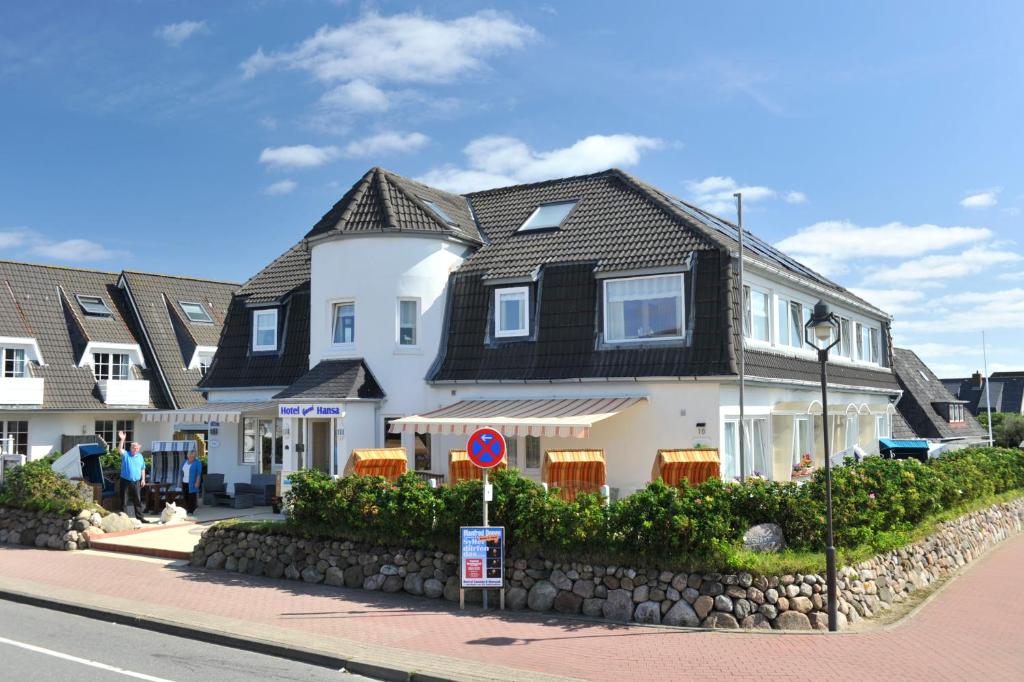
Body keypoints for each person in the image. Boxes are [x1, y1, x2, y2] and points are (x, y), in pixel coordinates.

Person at [118, 430, 149, 523]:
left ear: (138, 449)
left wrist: (143, 479)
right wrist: (122, 440)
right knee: (124, 501)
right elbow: (119, 449)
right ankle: (124, 519)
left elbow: (142, 468)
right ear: (130, 448)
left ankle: (140, 517)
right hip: (125, 481)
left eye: (137, 448)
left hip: (136, 481)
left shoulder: (140, 456)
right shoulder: (126, 454)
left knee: (138, 500)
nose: (135, 449)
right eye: (133, 448)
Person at [180, 449, 202, 516]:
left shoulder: (197, 463)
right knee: (185, 496)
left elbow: (199, 474)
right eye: (190, 456)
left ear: (195, 456)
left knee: (191, 497)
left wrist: (197, 482)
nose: (191, 457)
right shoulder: (184, 462)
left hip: (192, 482)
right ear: (188, 455)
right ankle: (187, 509)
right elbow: (181, 471)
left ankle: (191, 510)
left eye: (193, 456)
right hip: (184, 481)